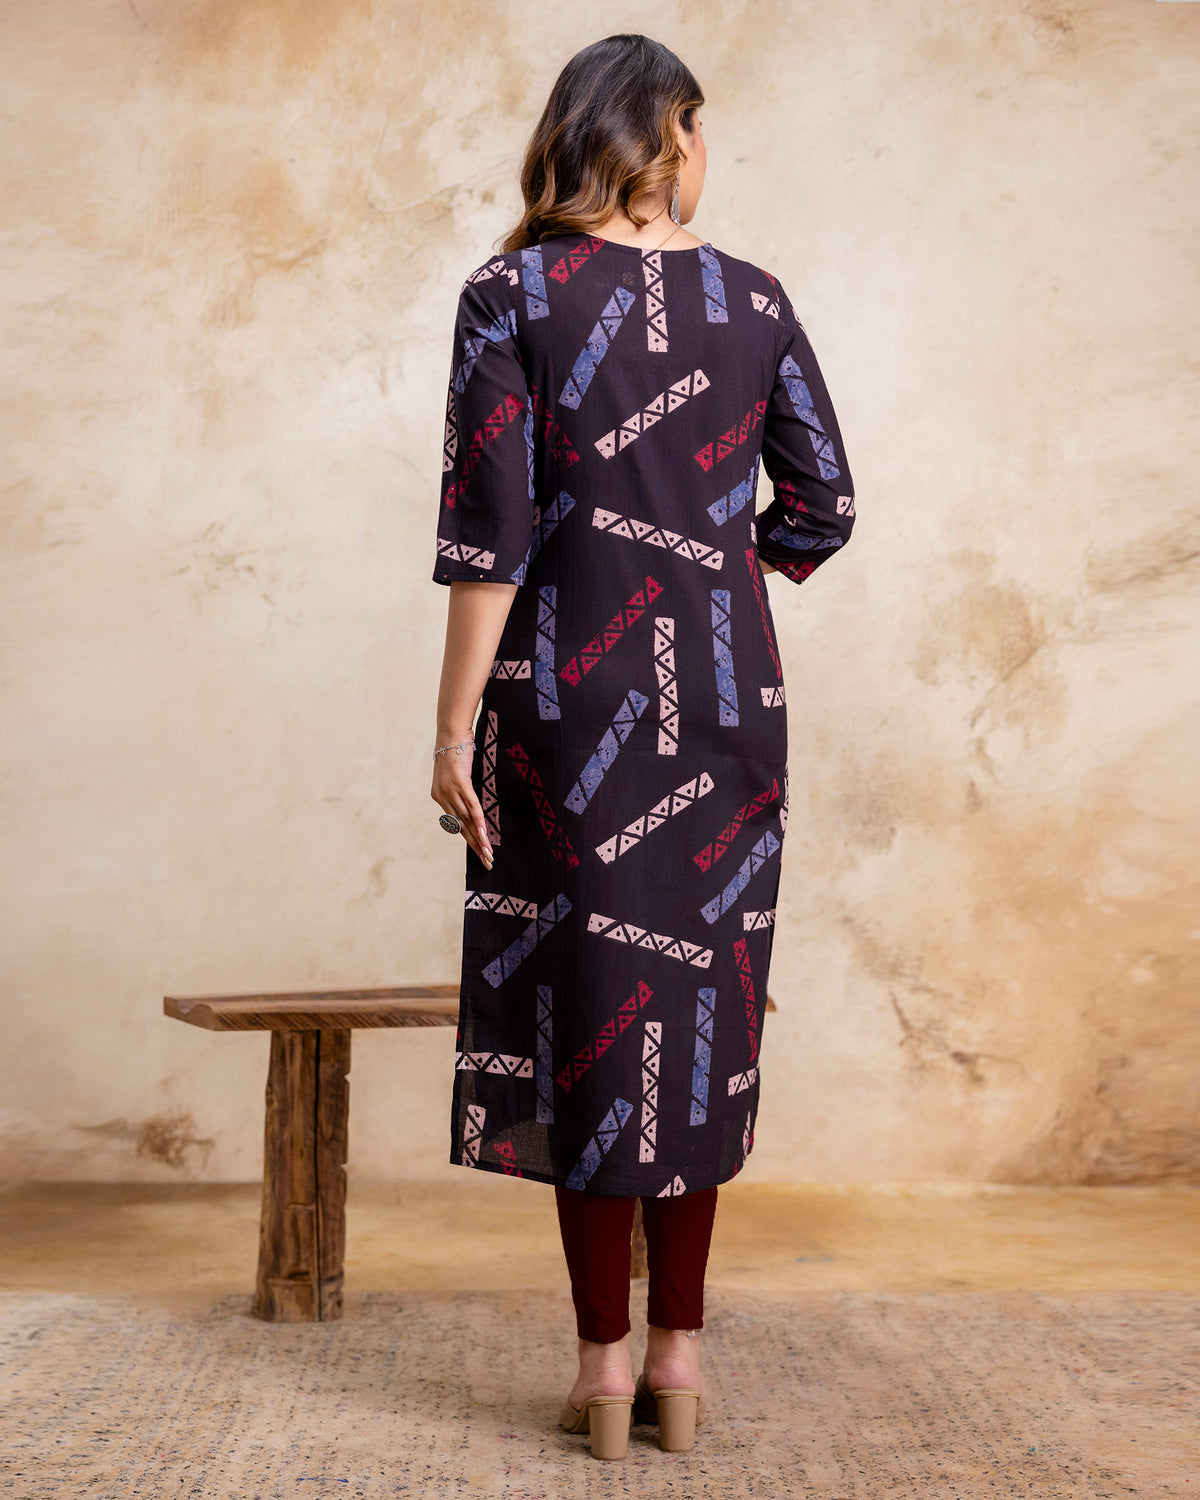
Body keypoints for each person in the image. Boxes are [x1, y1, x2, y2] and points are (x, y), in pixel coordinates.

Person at [429, 33, 856, 1461]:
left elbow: (488, 533)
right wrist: (714, 574)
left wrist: (451, 724)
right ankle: (681, 1357)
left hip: (567, 705)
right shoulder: (756, 300)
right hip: (726, 708)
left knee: (589, 1021)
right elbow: (825, 504)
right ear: (664, 137)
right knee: (699, 1023)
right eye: (698, 126)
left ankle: (604, 1370)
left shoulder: (512, 295)